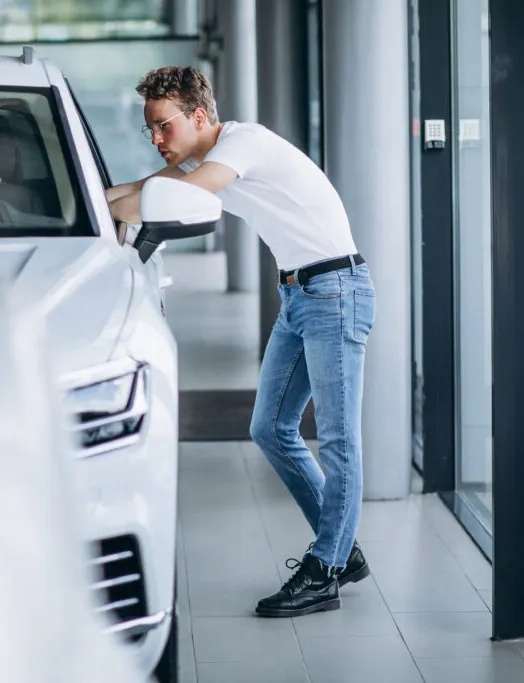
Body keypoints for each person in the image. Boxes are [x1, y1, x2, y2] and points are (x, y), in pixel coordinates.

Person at [106, 66, 376, 618]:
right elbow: (140, 190)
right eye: (150, 131)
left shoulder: (242, 143)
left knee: (339, 438)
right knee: (270, 428)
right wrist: (85, 203)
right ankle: (341, 551)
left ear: (199, 116)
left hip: (336, 291)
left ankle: (326, 568)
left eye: (162, 127)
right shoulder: (207, 161)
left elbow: (164, 197)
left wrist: (112, 209)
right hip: (301, 295)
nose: (156, 140)